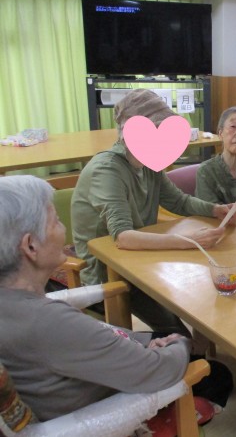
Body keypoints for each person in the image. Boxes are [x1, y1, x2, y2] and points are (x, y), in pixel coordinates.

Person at [0, 175, 192, 421]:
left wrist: (145, 343)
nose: (65, 230)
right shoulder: (48, 322)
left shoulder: (15, 305)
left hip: (90, 370)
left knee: (157, 335)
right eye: (57, 221)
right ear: (31, 246)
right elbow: (159, 371)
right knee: (214, 373)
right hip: (105, 406)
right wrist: (182, 342)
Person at [71, 89, 236, 336]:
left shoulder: (148, 161)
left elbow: (178, 201)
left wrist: (215, 209)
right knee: (175, 328)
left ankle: (199, 345)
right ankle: (183, 351)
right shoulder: (106, 170)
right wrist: (190, 241)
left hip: (142, 258)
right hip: (107, 272)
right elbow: (123, 238)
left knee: (198, 296)